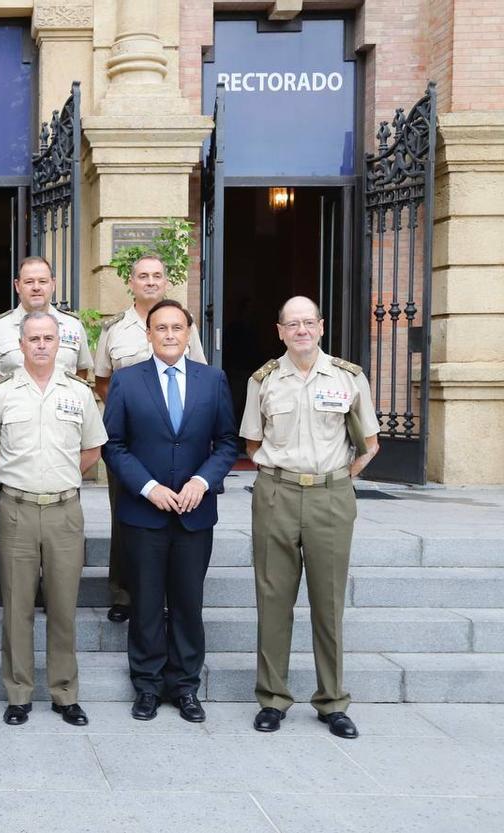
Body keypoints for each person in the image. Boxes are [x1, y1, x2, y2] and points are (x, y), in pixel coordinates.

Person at [240, 296, 379, 739]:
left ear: (321, 327)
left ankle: (332, 701)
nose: (300, 330)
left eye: (308, 323)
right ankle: (273, 698)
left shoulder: (348, 377)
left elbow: (369, 442)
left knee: (329, 602)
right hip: (277, 494)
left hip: (331, 498)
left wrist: (339, 478)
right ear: (279, 331)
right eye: (291, 324)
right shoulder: (262, 381)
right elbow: (251, 444)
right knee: (273, 599)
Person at [103, 299, 238, 724]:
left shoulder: (212, 380)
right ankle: (146, 685)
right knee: (144, 604)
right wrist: (148, 487)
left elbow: (228, 442)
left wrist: (201, 481)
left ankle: (184, 687)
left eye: (177, 327)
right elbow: (113, 445)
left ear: (188, 332)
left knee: (187, 603)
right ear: (148, 334)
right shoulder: (127, 382)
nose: (169, 335)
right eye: (160, 328)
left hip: (194, 513)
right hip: (145, 514)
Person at [0, 311, 105, 727]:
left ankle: (65, 692)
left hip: (65, 511)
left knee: (64, 604)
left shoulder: (80, 393)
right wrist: (23, 478)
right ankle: (18, 693)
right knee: (17, 606)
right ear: (21, 344)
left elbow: (91, 451)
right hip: (16, 509)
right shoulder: (0, 394)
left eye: (48, 338)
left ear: (58, 342)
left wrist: (61, 477)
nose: (41, 345)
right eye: (33, 338)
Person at [94, 254, 207, 625]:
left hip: (176, 443)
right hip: (130, 442)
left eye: (157, 275)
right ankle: (124, 593)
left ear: (165, 281)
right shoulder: (115, 329)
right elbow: (103, 379)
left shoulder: (183, 326)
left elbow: (200, 379)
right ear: (131, 282)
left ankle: (170, 592)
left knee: (175, 521)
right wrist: (133, 415)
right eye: (143, 276)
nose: (150, 281)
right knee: (125, 519)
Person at [0, 256, 93, 389]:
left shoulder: (73, 326)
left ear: (53, 284)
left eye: (42, 281)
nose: (36, 287)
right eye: (29, 282)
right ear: (17, 286)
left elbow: (81, 374)